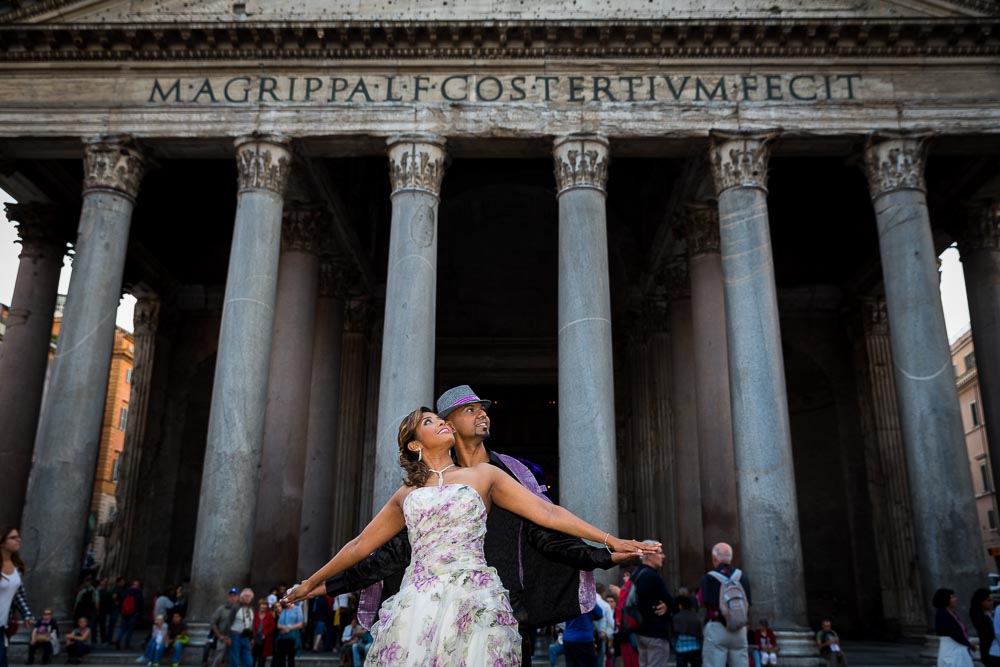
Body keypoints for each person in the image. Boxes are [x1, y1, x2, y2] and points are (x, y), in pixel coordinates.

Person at [283, 406, 658, 665]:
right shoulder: (406, 496)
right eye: (429, 423)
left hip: (475, 599)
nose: (440, 423)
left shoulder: (486, 477)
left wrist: (610, 540)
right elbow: (361, 546)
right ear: (415, 444)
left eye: (439, 419)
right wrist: (313, 581)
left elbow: (548, 513)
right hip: (419, 602)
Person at [699, 543, 751, 667]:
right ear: (730, 558)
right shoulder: (743, 577)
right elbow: (748, 603)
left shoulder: (708, 578)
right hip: (739, 629)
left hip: (717, 627)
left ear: (714, 558)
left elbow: (701, 602)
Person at [630, 545, 675, 666]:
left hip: (640, 630)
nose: (663, 556)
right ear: (649, 556)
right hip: (655, 632)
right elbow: (671, 601)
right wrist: (668, 605)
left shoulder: (636, 574)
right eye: (660, 553)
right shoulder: (652, 576)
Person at [1, 526, 35, 667]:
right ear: (2, 542)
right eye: (13, 538)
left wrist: (27, 615)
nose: (18, 540)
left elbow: (19, 595)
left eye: (18, 537)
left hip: (2, 625)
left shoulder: (16, 567)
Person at [933, 589, 975, 667]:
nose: (956, 599)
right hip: (952, 651)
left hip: (957, 649)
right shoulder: (942, 614)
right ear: (945, 599)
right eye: (952, 597)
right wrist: (969, 644)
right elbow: (953, 633)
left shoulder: (951, 613)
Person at [206, 588, 238, 667]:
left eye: (234, 596)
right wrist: (219, 636)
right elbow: (213, 623)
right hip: (223, 637)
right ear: (228, 597)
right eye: (231, 596)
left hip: (235, 638)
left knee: (231, 659)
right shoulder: (221, 609)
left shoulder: (239, 610)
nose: (232, 598)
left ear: (238, 597)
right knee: (218, 659)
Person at [969, 588, 998, 666]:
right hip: (990, 651)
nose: (992, 602)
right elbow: (991, 632)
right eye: (989, 600)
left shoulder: (992, 612)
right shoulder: (979, 617)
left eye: (992, 599)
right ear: (981, 602)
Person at [672, 594, 702, 667]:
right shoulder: (696, 617)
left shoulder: (676, 618)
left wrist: (674, 646)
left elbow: (673, 635)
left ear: (680, 606)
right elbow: (700, 634)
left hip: (681, 649)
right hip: (695, 648)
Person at [228, 589, 255, 667]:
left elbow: (251, 624)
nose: (247, 598)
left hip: (246, 637)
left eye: (249, 596)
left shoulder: (252, 609)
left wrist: (252, 637)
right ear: (242, 597)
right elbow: (229, 622)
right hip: (235, 636)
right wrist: (228, 637)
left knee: (249, 662)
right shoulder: (236, 608)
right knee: (234, 662)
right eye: (246, 596)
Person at [116, 580, 144, 651]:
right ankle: (126, 644)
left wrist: (121, 611)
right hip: (133, 613)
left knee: (122, 628)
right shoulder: (139, 593)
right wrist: (139, 613)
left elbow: (121, 602)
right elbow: (141, 605)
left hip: (124, 613)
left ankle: (118, 639)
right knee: (130, 629)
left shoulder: (126, 592)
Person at [273, 602, 303, 667]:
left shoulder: (297, 610)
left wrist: (289, 628)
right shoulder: (283, 611)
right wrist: (284, 628)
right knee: (281, 658)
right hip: (282, 637)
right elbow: (278, 625)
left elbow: (300, 624)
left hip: (293, 637)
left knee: (291, 658)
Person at [594, 584, 615, 667]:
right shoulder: (605, 605)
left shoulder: (585, 602)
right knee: (600, 658)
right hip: (600, 635)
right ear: (603, 593)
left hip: (586, 635)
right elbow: (612, 623)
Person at [251, 598, 275, 667]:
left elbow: (272, 627)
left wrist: (264, 634)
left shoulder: (269, 615)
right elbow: (252, 626)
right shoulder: (255, 615)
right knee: (253, 658)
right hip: (255, 640)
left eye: (265, 605)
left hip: (265, 640)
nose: (263, 606)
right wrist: (253, 637)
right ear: (259, 605)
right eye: (262, 604)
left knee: (262, 659)